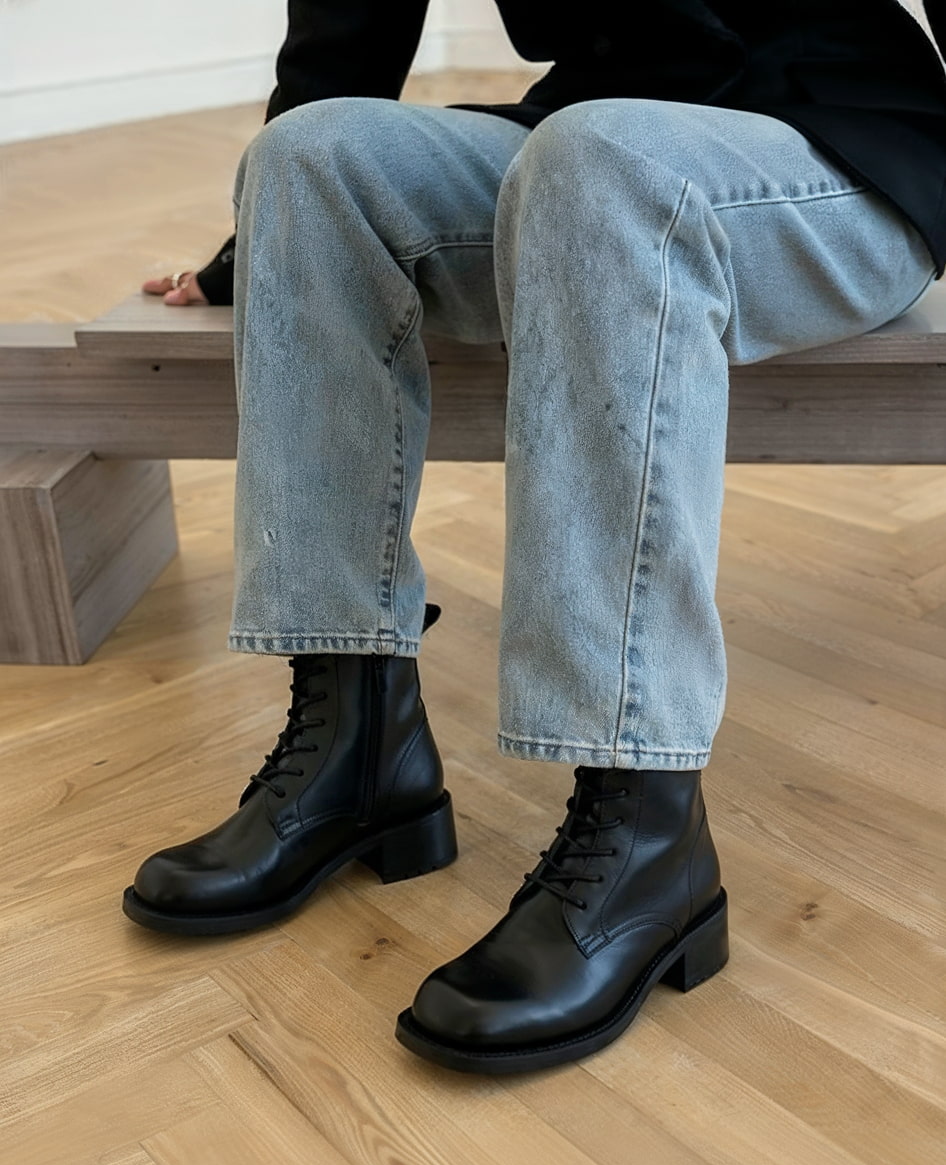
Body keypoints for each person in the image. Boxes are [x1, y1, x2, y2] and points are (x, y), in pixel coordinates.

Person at [127, 1, 946, 1075]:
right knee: (309, 157)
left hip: (838, 150)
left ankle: (645, 843)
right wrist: (251, 253)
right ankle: (355, 747)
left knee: (603, 158)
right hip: (579, 137)